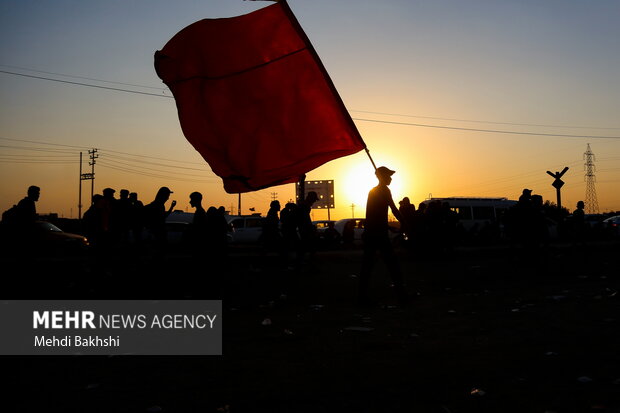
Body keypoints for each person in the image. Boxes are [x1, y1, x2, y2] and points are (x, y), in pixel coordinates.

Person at [359, 166, 409, 306]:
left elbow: (374, 215)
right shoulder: (383, 191)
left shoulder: (374, 191)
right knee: (391, 264)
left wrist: (388, 226)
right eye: (388, 175)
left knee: (368, 265)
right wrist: (404, 223)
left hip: (374, 232)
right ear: (382, 177)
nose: (390, 178)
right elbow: (392, 209)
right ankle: (402, 295)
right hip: (378, 234)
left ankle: (362, 296)